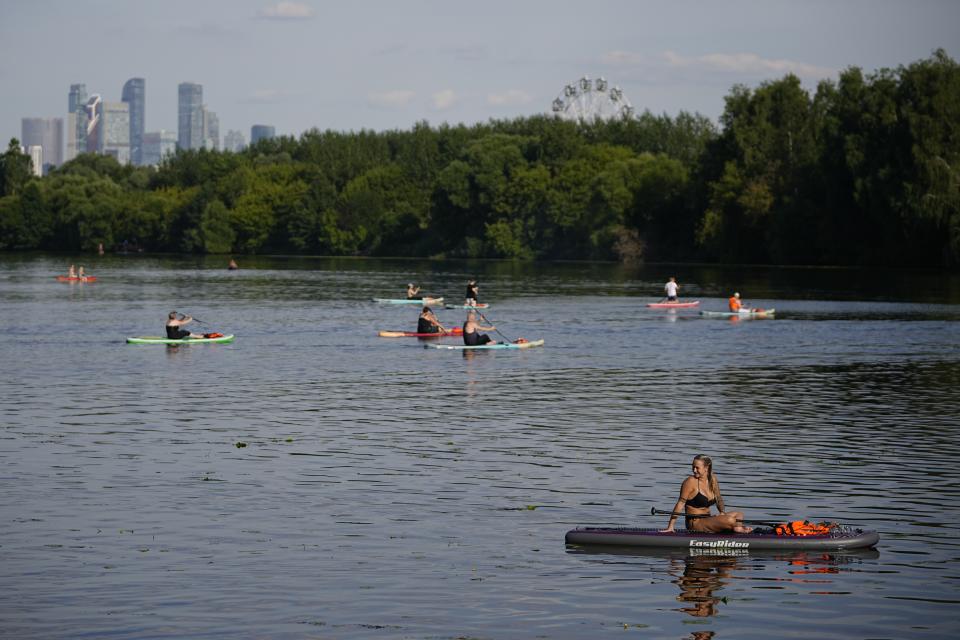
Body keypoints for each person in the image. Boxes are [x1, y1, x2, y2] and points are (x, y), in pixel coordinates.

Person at [661, 455, 752, 534]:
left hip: (708, 519)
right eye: (693, 467)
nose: (694, 470)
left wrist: (722, 513)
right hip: (696, 524)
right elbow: (680, 504)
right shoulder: (690, 482)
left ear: (706, 468)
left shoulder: (713, 479)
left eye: (697, 468)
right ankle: (737, 528)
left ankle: (736, 528)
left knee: (739, 514)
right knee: (730, 520)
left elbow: (718, 498)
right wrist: (670, 526)